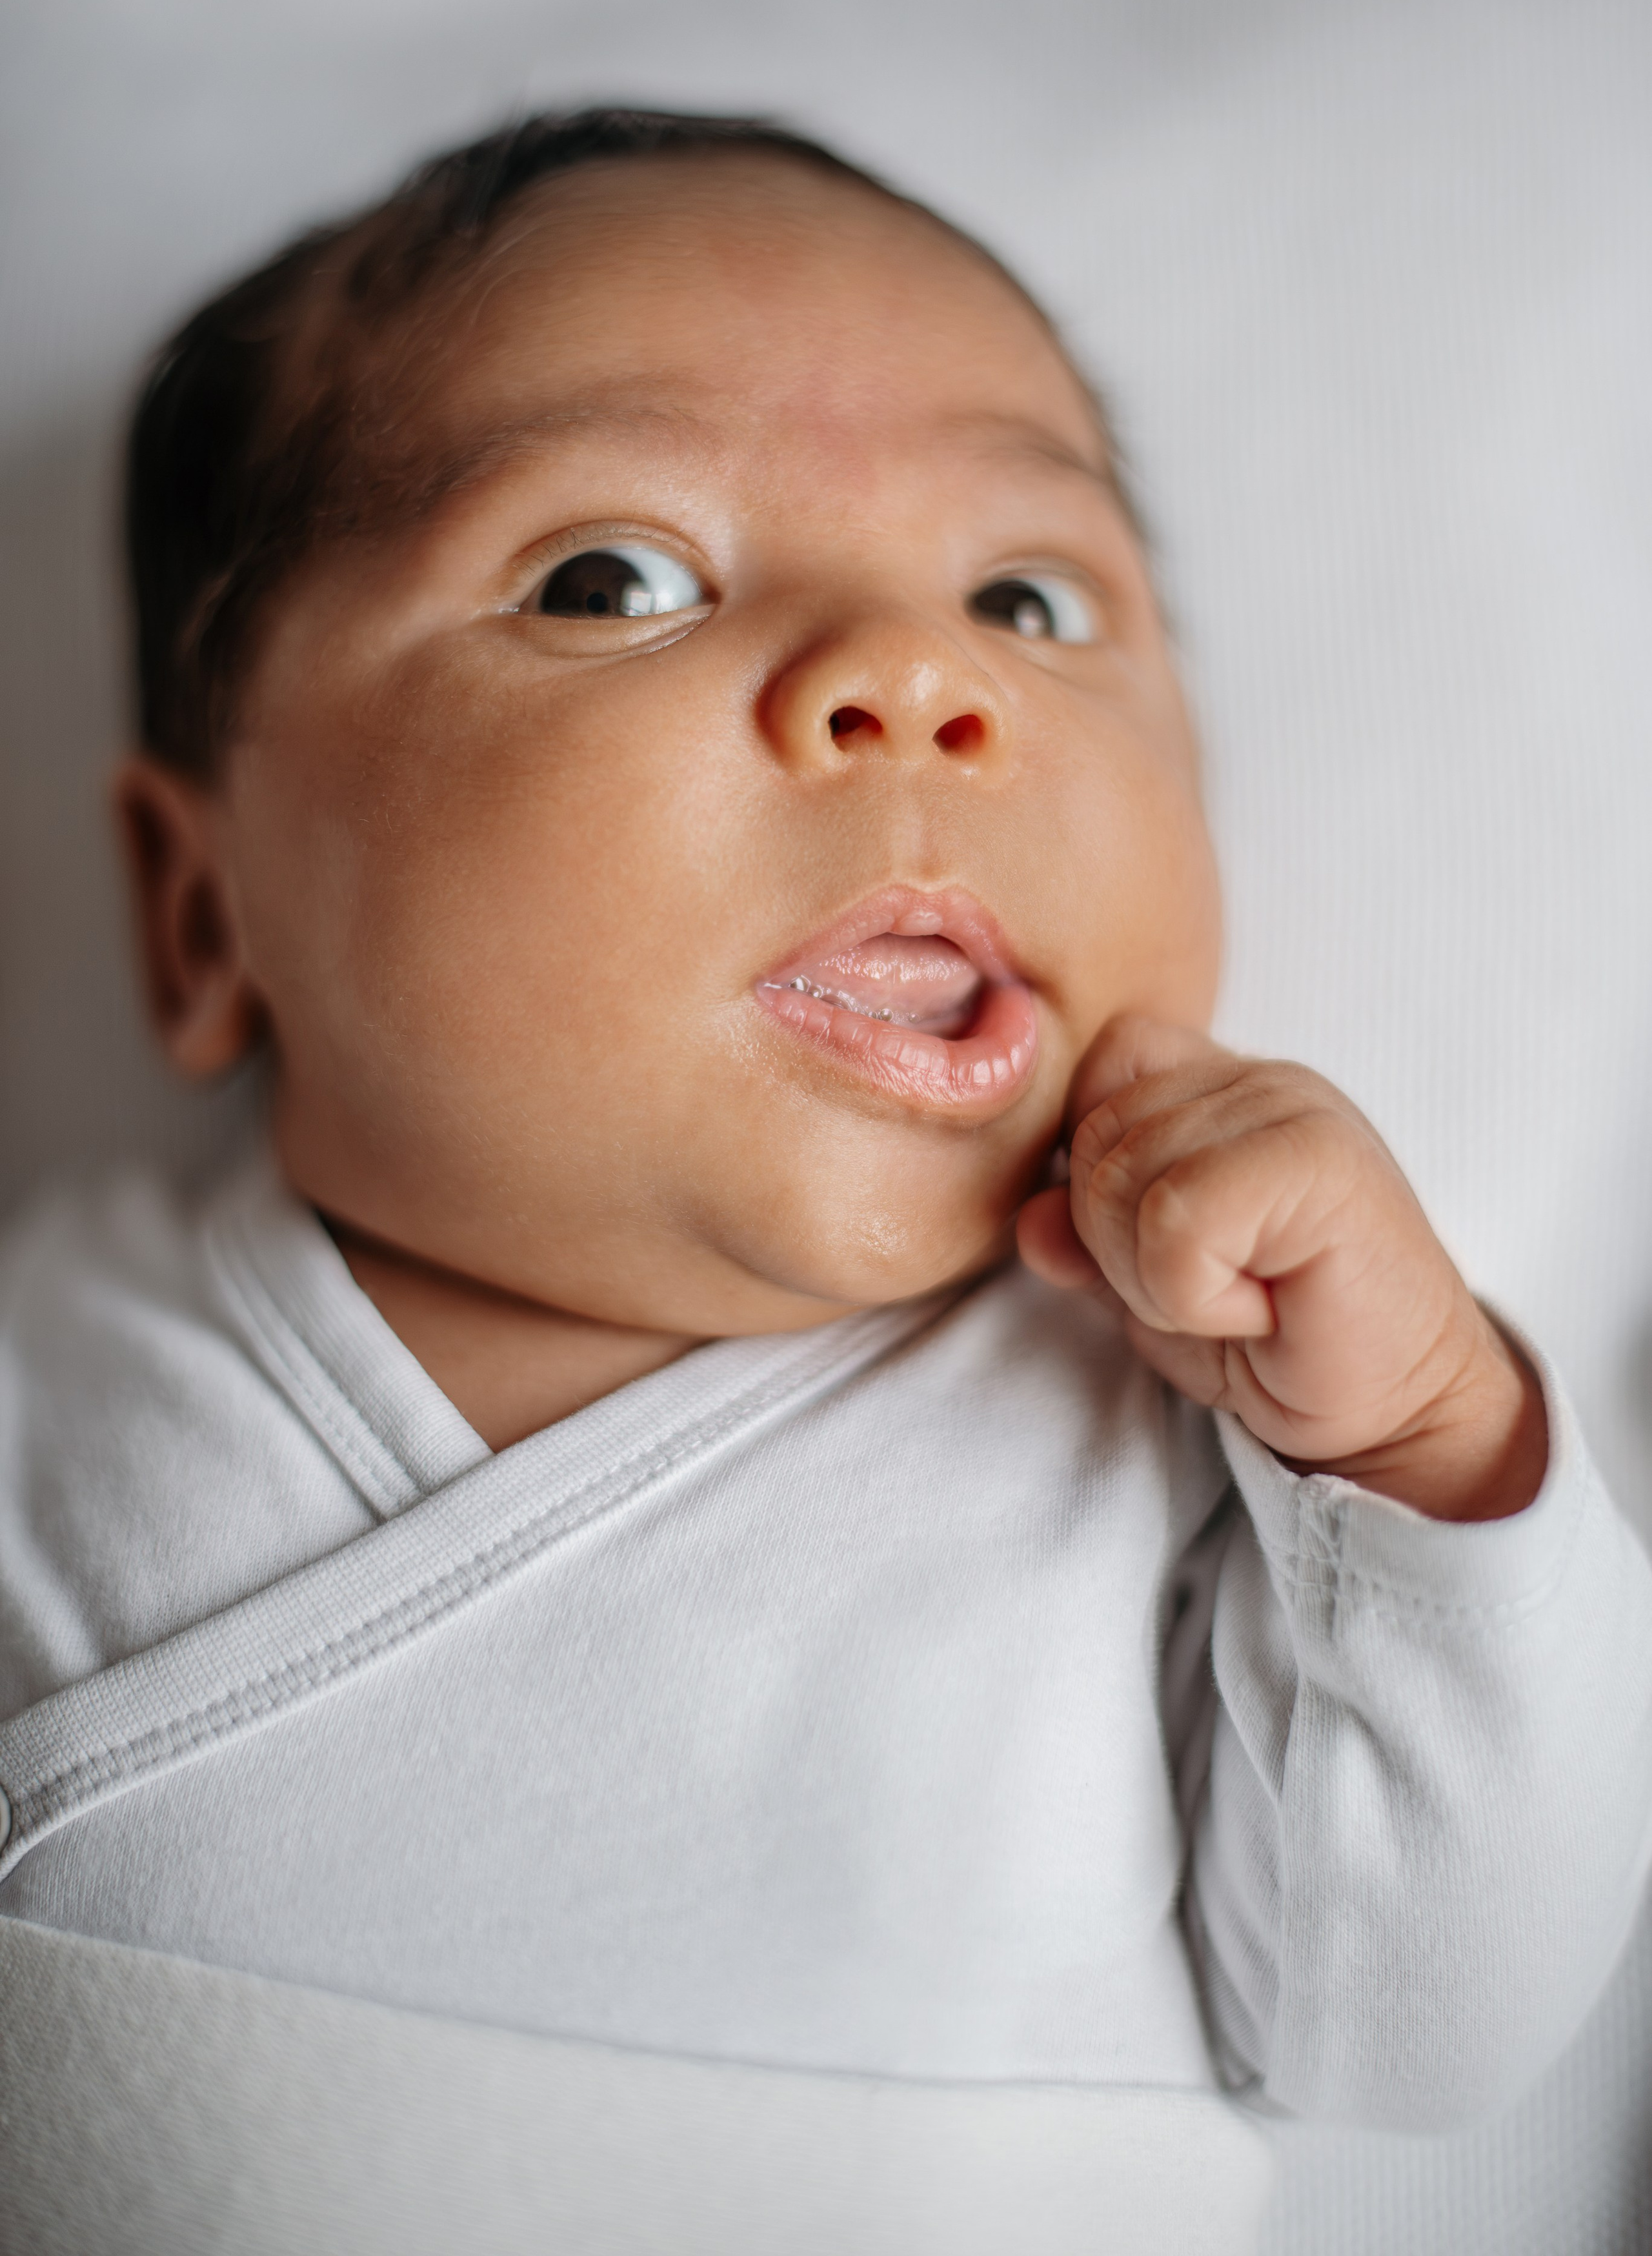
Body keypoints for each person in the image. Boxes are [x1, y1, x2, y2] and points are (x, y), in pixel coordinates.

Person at [1, 110, 1649, 2238]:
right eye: (615, 577)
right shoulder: (57, 1371)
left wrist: (1431, 1460)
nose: (917, 679)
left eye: (1031, 597)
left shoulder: (1169, 1438)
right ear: (204, 905)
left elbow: (1431, 2033)